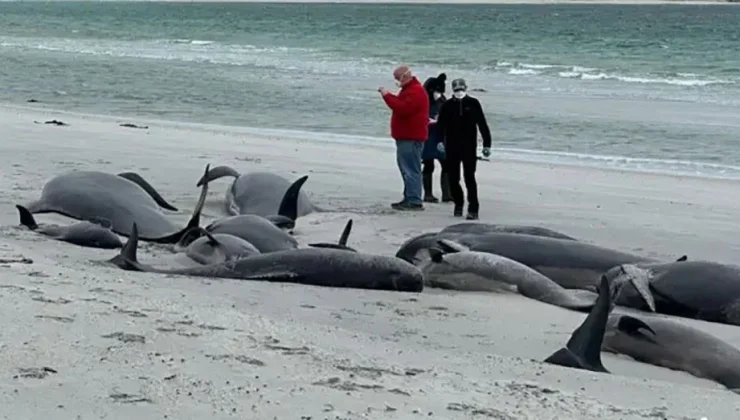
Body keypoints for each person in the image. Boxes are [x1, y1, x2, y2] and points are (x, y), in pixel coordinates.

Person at [436, 78, 492, 220]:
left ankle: (473, 209)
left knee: (469, 178)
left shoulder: (473, 103)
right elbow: (440, 126)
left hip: (469, 147)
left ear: (466, 88)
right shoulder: (447, 105)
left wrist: (487, 144)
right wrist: (439, 141)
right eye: (456, 89)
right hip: (451, 146)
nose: (459, 92)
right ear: (452, 90)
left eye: (461, 89)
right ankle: (459, 203)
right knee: (453, 179)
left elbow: (482, 124)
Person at [378, 65, 430, 211]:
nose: (396, 81)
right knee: (406, 168)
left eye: (397, 79)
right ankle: (409, 197)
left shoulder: (416, 91)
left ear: (404, 77)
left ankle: (414, 200)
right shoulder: (409, 90)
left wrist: (387, 96)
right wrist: (391, 96)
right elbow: (402, 105)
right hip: (406, 136)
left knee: (411, 169)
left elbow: (403, 109)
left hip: (411, 137)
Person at [421, 74, 452, 203]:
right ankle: (428, 194)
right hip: (427, 136)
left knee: (446, 164)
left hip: (440, 136)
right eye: (437, 91)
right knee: (428, 164)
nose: (439, 93)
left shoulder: (442, 100)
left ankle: (447, 193)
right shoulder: (423, 100)